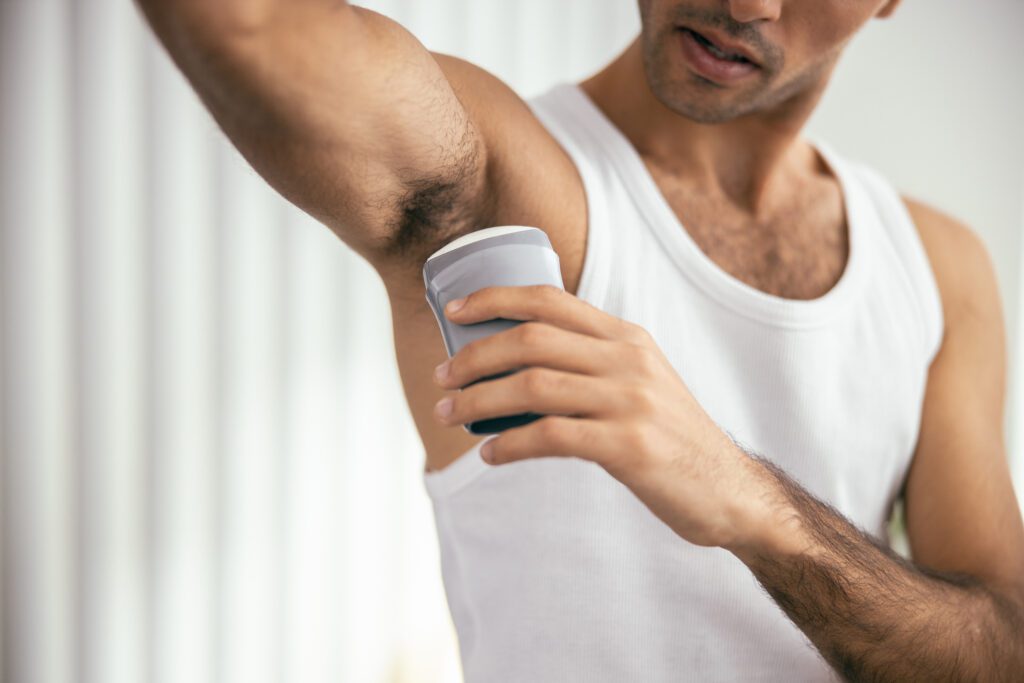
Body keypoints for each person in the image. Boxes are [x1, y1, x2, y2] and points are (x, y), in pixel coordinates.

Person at [135, 0, 1024, 680]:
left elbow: (1003, 647)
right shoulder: (510, 180)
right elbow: (248, 27)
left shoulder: (936, 269)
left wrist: (749, 501)